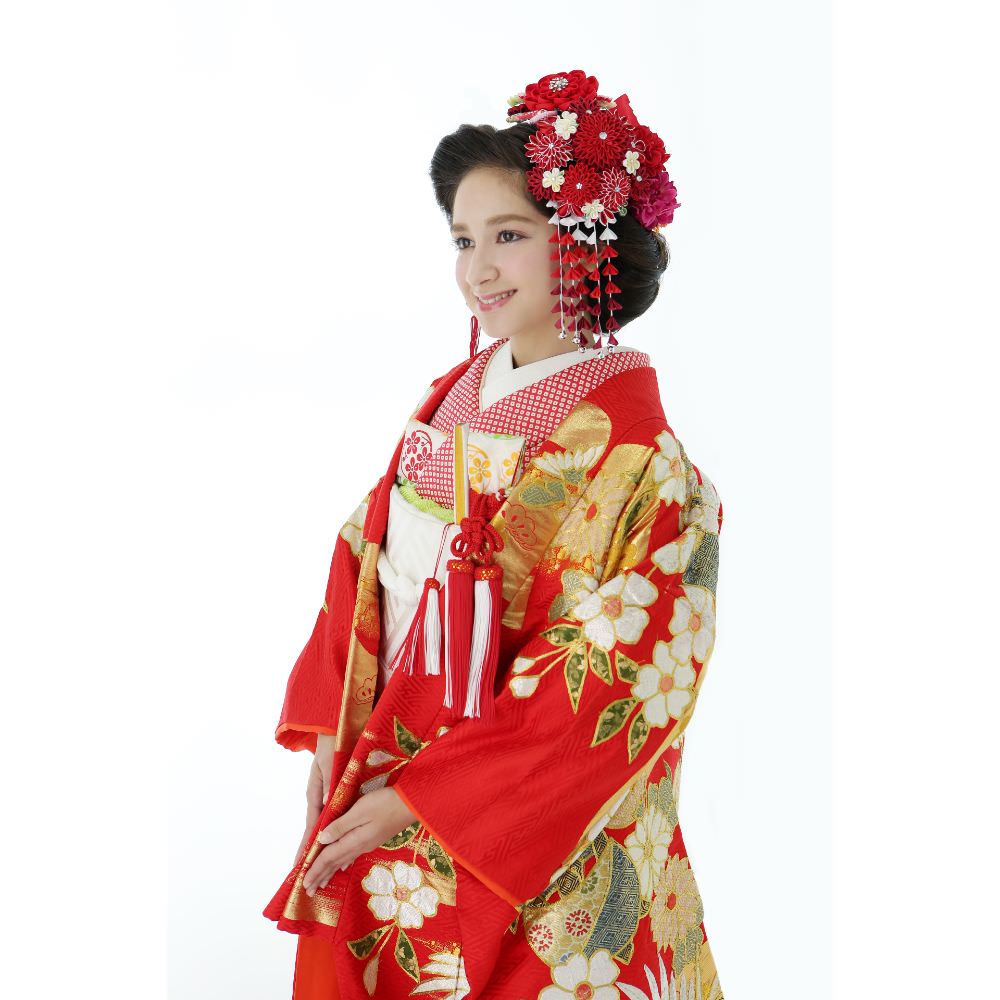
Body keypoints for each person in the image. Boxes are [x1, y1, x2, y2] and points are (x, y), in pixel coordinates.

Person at [264, 69, 726, 1000]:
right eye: (463, 240)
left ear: (584, 241)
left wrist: (424, 799)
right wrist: (330, 739)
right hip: (383, 755)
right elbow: (366, 557)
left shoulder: (645, 461)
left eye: (509, 236)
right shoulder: (451, 398)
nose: (478, 269)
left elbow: (613, 681)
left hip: (521, 826)